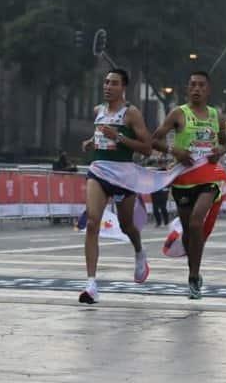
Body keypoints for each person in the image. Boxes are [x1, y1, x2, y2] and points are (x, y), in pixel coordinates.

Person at [78, 69, 153, 305]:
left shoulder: (131, 114)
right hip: (98, 171)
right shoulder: (98, 111)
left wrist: (118, 137)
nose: (108, 86)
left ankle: (139, 252)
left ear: (123, 88)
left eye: (114, 83)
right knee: (92, 222)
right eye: (106, 82)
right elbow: (102, 136)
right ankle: (91, 284)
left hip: (123, 176)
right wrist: (93, 142)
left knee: (126, 225)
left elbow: (147, 148)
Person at [152, 71, 226, 300]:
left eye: (201, 85)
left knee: (196, 223)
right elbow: (155, 139)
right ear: (187, 89)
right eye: (192, 84)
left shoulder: (217, 116)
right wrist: (175, 150)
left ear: (208, 90)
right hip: (183, 179)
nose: (196, 89)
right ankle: (194, 268)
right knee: (188, 232)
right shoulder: (178, 114)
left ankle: (193, 278)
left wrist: (219, 152)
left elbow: (224, 144)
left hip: (210, 177)